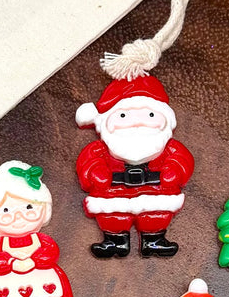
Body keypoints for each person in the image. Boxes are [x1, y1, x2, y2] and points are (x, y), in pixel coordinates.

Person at [75, 74, 194, 258]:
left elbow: (182, 158)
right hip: (113, 192)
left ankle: (153, 240)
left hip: (155, 191)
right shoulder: (101, 148)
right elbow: (88, 160)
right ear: (106, 121)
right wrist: (96, 172)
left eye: (150, 115)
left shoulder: (168, 147)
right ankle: (115, 241)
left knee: (155, 215)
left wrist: (174, 170)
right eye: (123, 115)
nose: (138, 121)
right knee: (113, 217)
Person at [0, 161, 75, 297]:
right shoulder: (0, 243)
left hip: (42, 275)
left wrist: (34, 261)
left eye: (29, 207)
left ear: (44, 210)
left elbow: (51, 251)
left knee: (48, 295)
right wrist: (11, 263)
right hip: (8, 280)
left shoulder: (41, 239)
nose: (18, 216)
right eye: (6, 210)